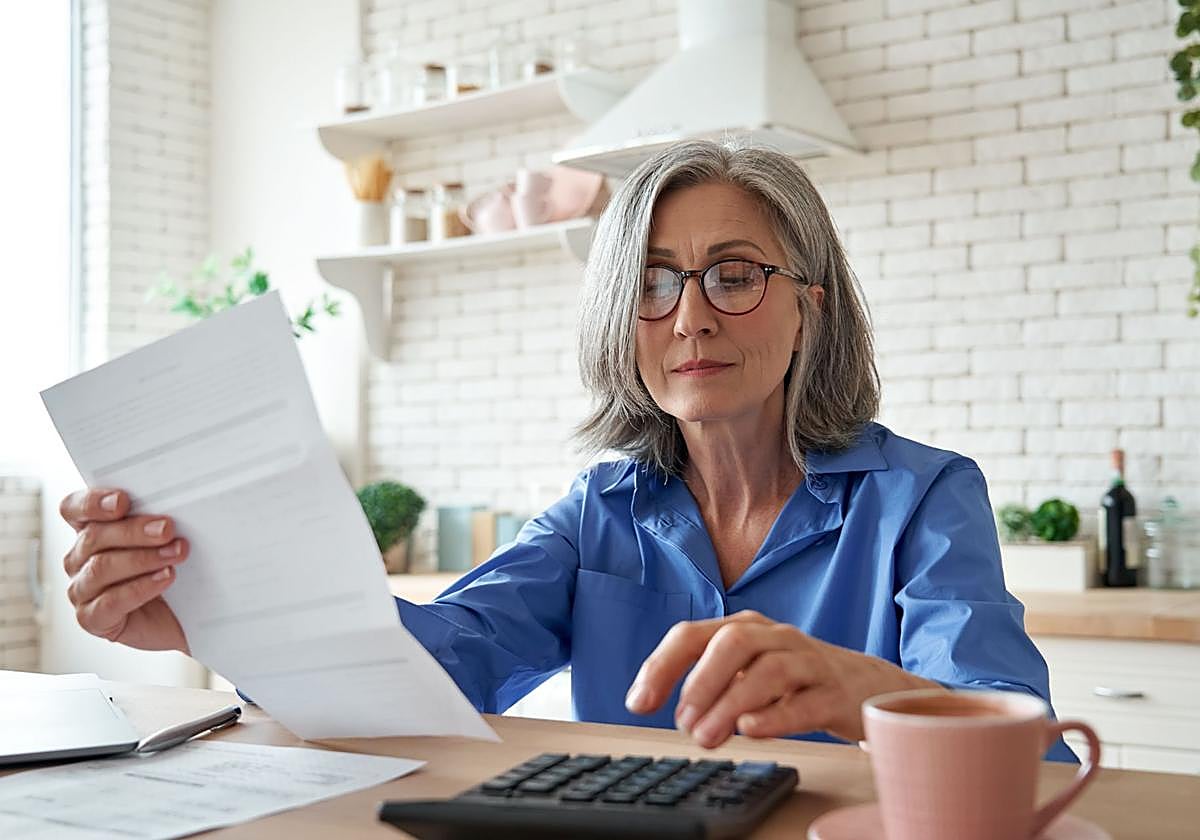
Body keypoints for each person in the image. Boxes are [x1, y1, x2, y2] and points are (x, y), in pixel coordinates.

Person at [59, 139, 1075, 761]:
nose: (689, 317)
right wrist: (218, 613)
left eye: (733, 275)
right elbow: (436, 668)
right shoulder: (600, 512)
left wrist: (863, 694)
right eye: (652, 282)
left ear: (808, 308)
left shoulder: (923, 498)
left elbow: (1036, 756)